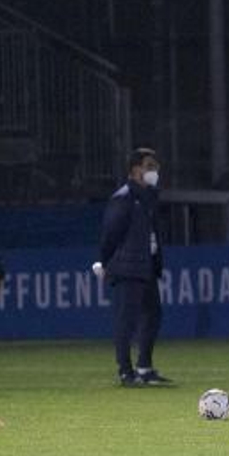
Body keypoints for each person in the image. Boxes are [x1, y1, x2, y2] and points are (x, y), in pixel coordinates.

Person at [96, 147, 169, 387]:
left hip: (145, 265)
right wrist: (105, 263)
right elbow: (110, 234)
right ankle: (126, 372)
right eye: (149, 166)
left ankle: (144, 368)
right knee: (126, 321)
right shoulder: (124, 197)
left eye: (155, 166)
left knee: (153, 315)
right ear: (135, 169)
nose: (154, 171)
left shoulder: (148, 196)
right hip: (127, 267)